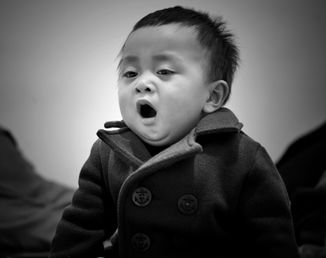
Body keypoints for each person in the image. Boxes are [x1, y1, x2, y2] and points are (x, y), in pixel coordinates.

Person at [49, 6, 300, 258]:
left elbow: (274, 241)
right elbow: (77, 232)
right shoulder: (108, 151)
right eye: (130, 73)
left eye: (164, 71)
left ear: (212, 96)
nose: (142, 83)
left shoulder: (242, 157)